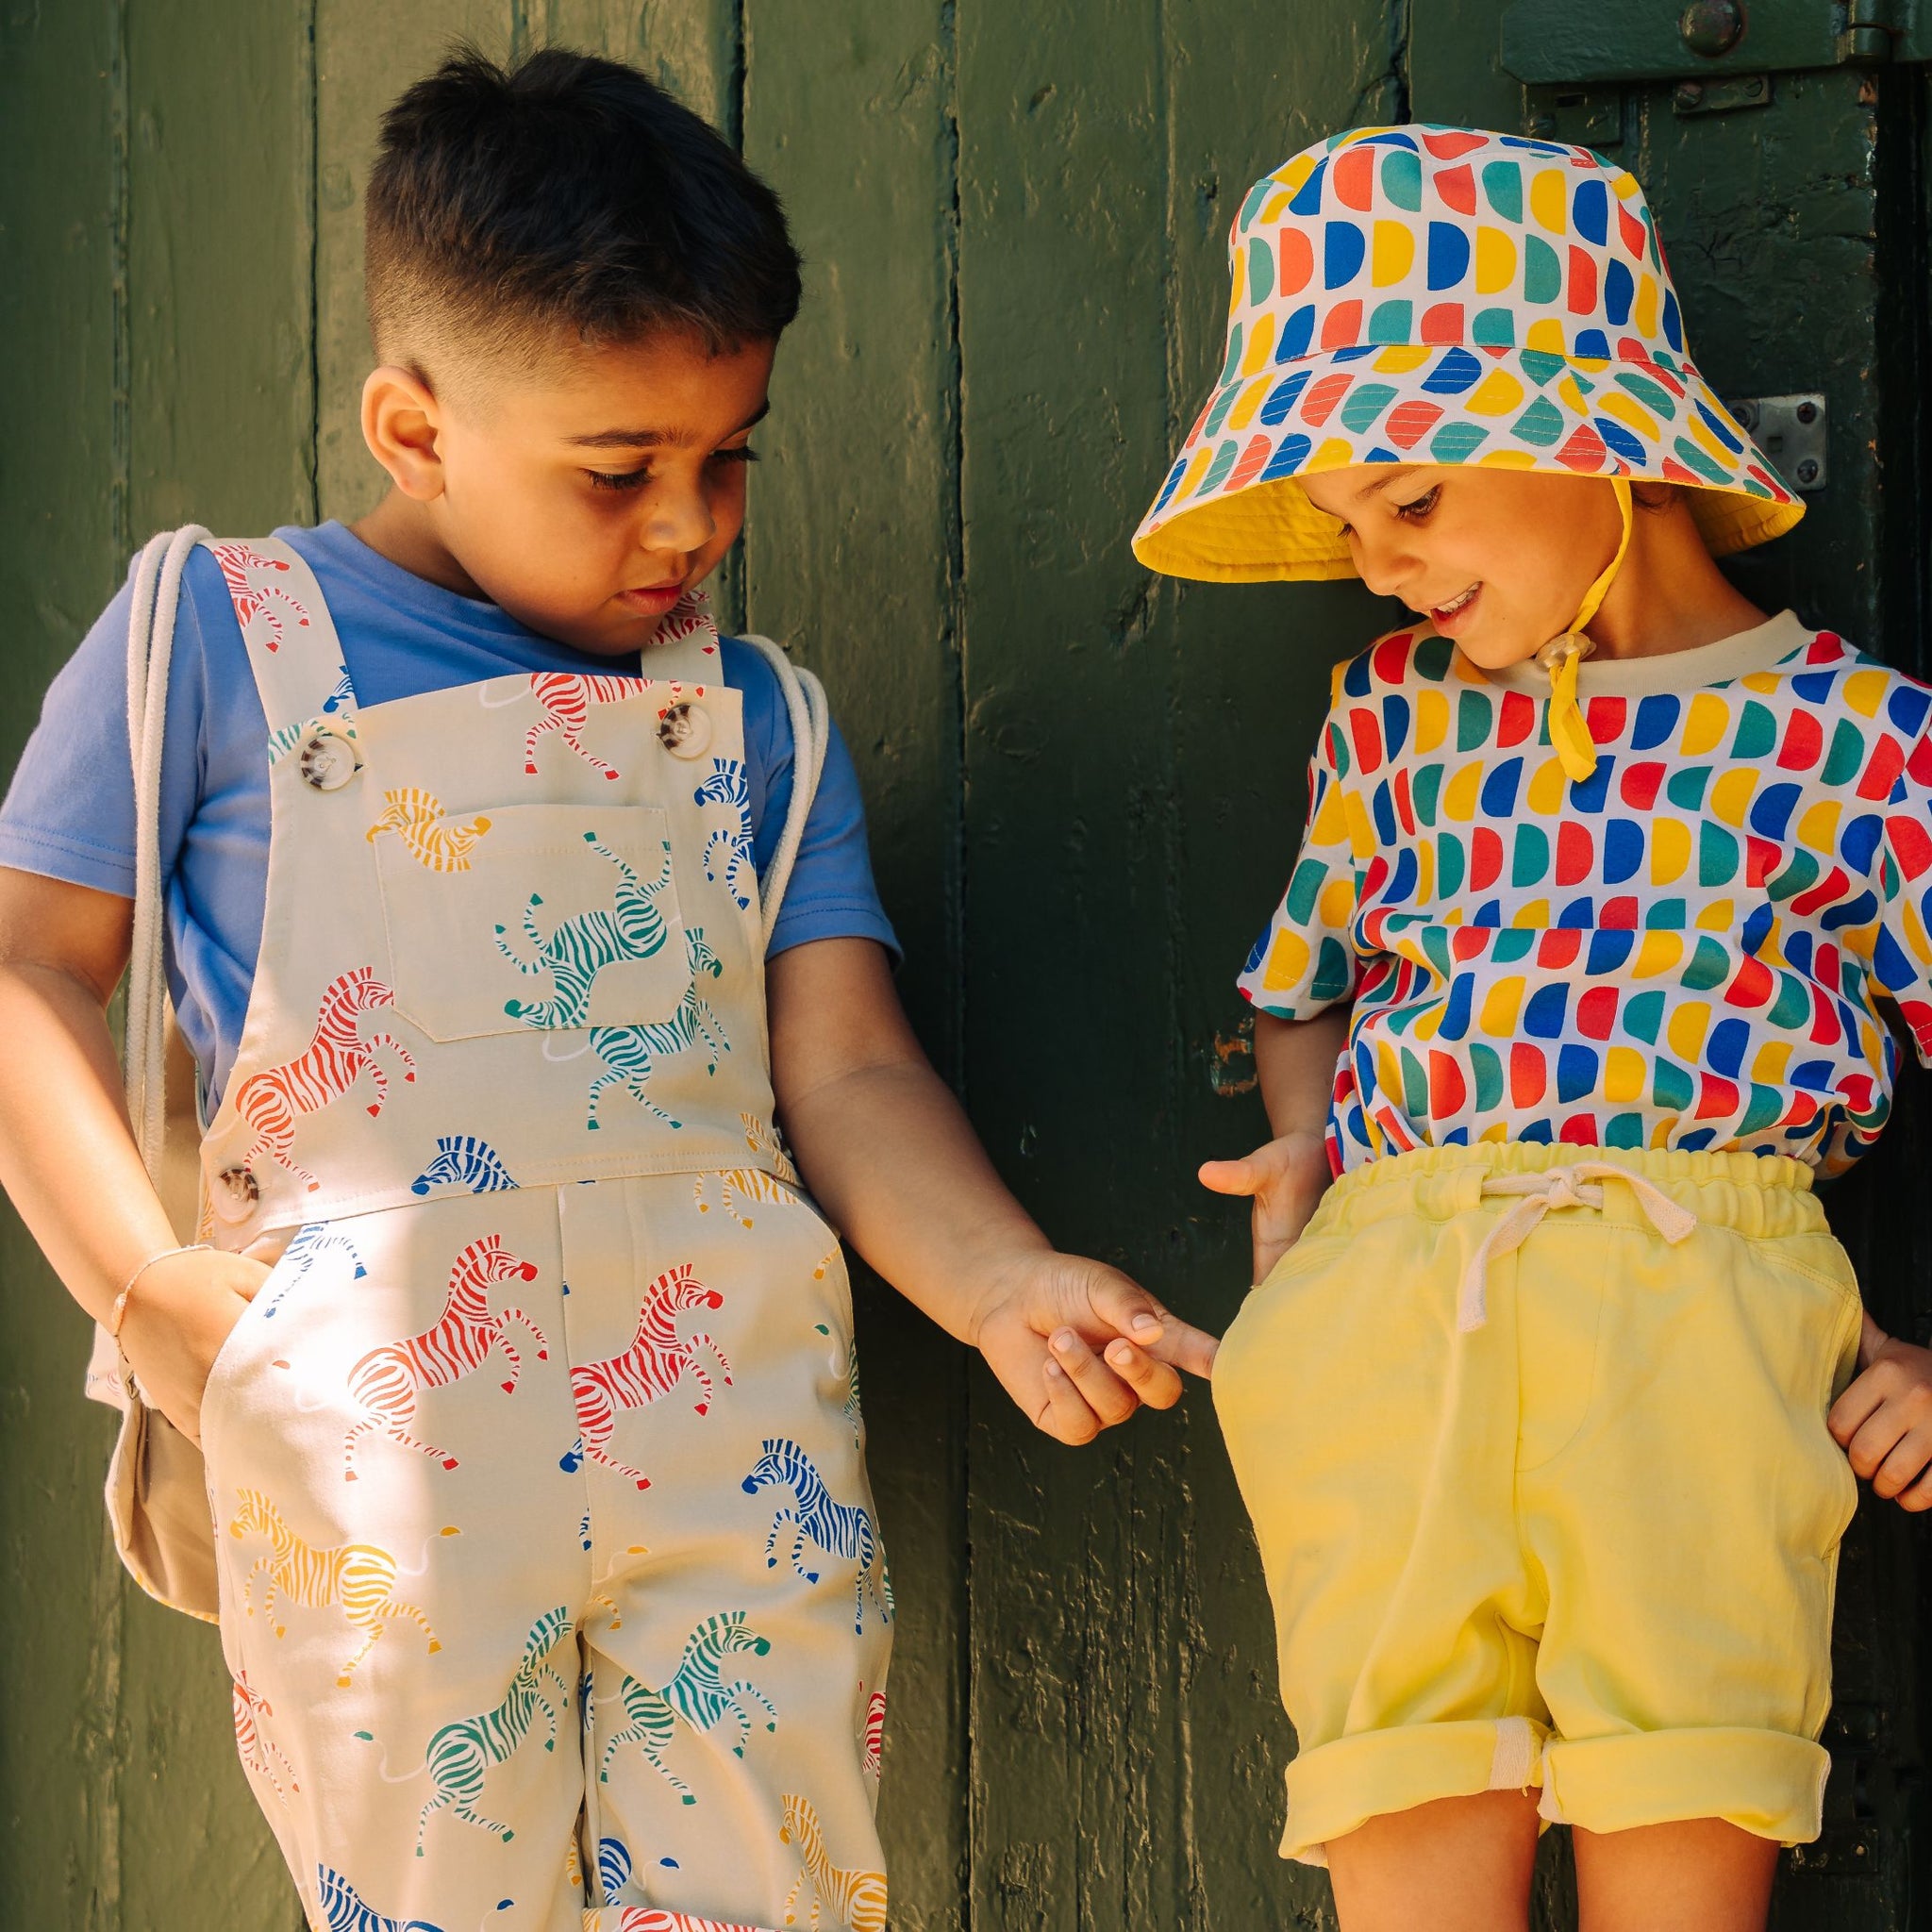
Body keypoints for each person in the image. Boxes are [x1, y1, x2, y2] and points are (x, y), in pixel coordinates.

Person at [0, 47, 1215, 1932]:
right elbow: (23, 974)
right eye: (617, 470)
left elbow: (849, 1066)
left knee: (777, 1897)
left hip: (724, 1426)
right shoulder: (210, 642)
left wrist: (1000, 1280)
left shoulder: (757, 722)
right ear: (413, 429)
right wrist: (143, 1289)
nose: (688, 524)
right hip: (378, 1443)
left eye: (729, 456)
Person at [1133, 124, 1932, 1932]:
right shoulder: (1392, 716)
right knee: (1399, 1819)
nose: (1381, 567)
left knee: (1686, 1798)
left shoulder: (1857, 741)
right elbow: (1304, 978)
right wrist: (1311, 1177)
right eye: (1347, 528)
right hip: (1391, 1321)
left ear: (1607, 442)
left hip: (1697, 1326)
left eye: (1411, 503)